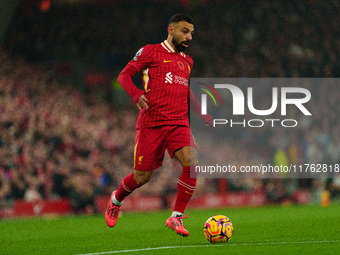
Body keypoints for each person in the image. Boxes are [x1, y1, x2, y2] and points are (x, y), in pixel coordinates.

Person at [105, 14, 212, 237]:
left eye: (191, 32)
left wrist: (201, 112)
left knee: (192, 162)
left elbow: (184, 89)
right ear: (171, 30)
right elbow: (124, 76)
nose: (189, 36)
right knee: (142, 177)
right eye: (185, 31)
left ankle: (176, 216)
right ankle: (116, 199)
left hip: (178, 123)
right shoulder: (150, 52)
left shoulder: (187, 61)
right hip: (151, 124)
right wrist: (136, 94)